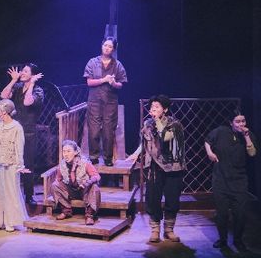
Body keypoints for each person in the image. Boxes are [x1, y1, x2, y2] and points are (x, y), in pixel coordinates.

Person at [129, 95, 185, 243]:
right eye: (152, 106)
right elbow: (145, 142)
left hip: (173, 167)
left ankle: (169, 230)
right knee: (153, 199)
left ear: (165, 109)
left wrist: (158, 120)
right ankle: (155, 230)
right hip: (154, 167)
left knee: (172, 199)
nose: (153, 109)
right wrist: (136, 154)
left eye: (157, 106)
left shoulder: (175, 124)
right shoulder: (147, 124)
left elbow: (165, 137)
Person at [205, 113, 257, 251]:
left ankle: (238, 240)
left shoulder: (248, 135)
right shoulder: (221, 131)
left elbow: (252, 153)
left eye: (243, 121)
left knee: (240, 213)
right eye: (237, 121)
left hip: (239, 180)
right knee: (222, 213)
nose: (241, 124)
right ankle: (222, 240)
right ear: (231, 122)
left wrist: (246, 136)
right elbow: (207, 141)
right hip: (221, 179)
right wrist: (210, 153)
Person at [0, 63, 45, 205]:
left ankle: (29, 196)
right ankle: (10, 194)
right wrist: (13, 80)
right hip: (13, 130)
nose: (22, 73)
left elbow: (27, 102)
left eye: (25, 71)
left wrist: (31, 85)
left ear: (33, 75)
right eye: (22, 71)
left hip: (28, 132)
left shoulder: (38, 90)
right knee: (10, 162)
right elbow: (3, 96)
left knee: (27, 165)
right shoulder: (18, 87)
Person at [0, 99, 29, 232]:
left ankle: (11, 221)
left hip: (11, 164)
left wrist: (19, 165)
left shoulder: (16, 127)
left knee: (10, 192)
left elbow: (19, 147)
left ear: (4, 112)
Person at [83, 37, 128, 166]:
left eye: (110, 46)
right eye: (105, 45)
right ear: (102, 45)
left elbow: (121, 84)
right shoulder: (92, 62)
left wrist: (113, 83)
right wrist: (104, 80)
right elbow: (89, 82)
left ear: (113, 49)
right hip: (94, 101)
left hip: (110, 102)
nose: (107, 48)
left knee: (108, 130)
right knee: (94, 130)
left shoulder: (117, 65)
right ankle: (94, 156)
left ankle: (108, 158)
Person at [51, 140, 101, 225]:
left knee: (95, 188)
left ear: (75, 152)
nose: (66, 154)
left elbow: (96, 176)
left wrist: (87, 183)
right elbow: (58, 179)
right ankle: (66, 211)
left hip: (84, 190)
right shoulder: (62, 165)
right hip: (71, 190)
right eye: (64, 151)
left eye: (68, 151)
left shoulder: (84, 163)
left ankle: (90, 215)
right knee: (55, 185)